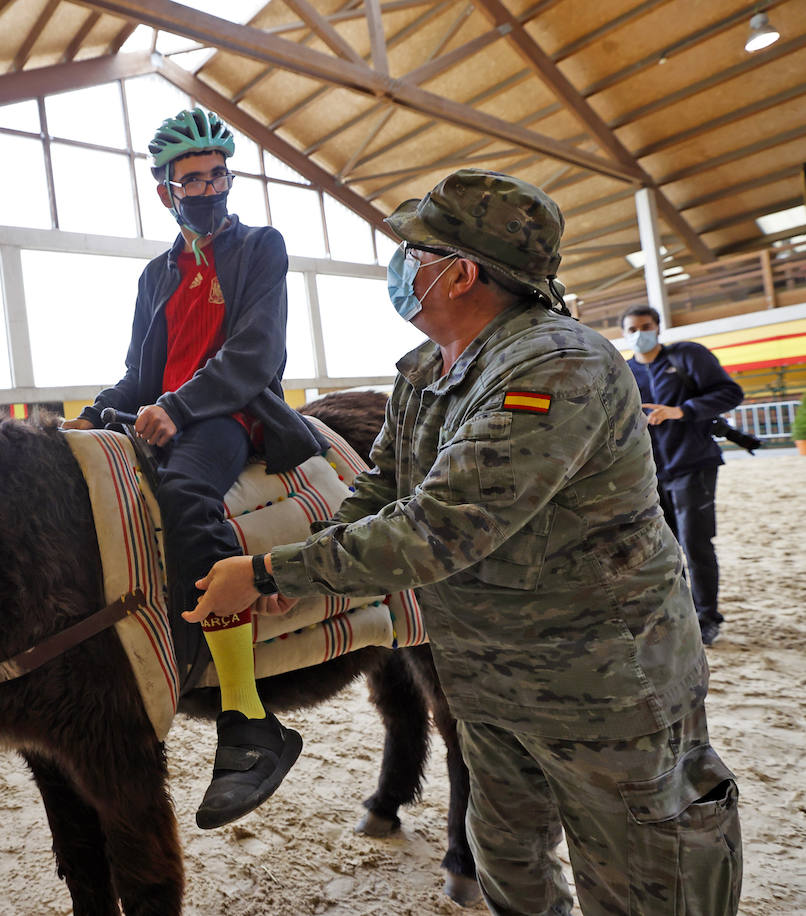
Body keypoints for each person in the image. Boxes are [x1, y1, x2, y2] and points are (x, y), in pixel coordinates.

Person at [188, 169, 742, 914]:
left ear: (461, 272)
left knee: (644, 886)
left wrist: (264, 573)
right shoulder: (426, 371)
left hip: (603, 689)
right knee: (510, 867)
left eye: (414, 252)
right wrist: (311, 565)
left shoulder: (555, 366)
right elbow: (380, 490)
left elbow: (439, 528)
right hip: (487, 683)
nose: (400, 268)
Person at [61, 109, 322, 829]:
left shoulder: (261, 247)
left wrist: (181, 405)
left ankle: (247, 715)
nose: (210, 189)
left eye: (219, 176)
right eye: (194, 179)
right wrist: (85, 416)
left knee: (183, 495)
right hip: (164, 413)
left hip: (229, 415)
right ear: (165, 192)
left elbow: (256, 355)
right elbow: (135, 378)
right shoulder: (155, 275)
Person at [621, 305, 744, 647]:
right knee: (663, 547)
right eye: (632, 328)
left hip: (693, 464)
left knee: (695, 543)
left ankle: (708, 618)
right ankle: (678, 614)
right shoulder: (624, 371)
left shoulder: (688, 356)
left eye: (646, 326)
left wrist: (681, 411)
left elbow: (731, 393)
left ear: (658, 328)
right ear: (624, 333)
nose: (640, 333)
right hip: (649, 473)